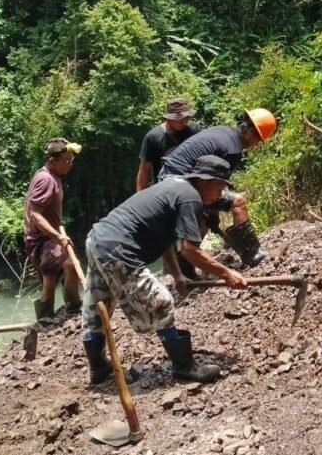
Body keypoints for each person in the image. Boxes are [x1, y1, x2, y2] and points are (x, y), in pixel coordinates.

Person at [80, 155, 249, 385]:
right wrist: (226, 273)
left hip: (97, 240)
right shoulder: (190, 199)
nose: (220, 194)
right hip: (118, 249)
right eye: (220, 186)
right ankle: (184, 366)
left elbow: (166, 241)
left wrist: (178, 275)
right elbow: (189, 251)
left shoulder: (174, 187)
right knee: (162, 302)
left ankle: (98, 369)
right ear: (205, 180)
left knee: (97, 305)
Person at [158, 109, 277, 267]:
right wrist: (209, 212)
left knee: (204, 217)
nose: (255, 145)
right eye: (258, 140)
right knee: (237, 202)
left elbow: (212, 183)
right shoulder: (233, 149)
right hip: (178, 182)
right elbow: (216, 186)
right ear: (249, 132)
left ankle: (186, 266)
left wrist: (210, 212)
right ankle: (252, 253)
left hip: (169, 177)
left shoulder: (225, 132)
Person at [23, 137, 83, 322]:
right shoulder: (46, 180)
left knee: (50, 277)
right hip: (42, 239)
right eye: (66, 161)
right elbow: (35, 214)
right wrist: (57, 235)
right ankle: (73, 308)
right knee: (70, 266)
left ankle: (46, 315)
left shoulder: (49, 176)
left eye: (71, 160)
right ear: (51, 161)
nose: (70, 165)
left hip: (44, 237)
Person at [135, 98, 202, 191]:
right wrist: (140, 196)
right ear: (168, 119)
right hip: (164, 189)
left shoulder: (193, 130)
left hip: (191, 185)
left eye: (186, 118)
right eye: (178, 119)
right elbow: (145, 170)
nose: (183, 122)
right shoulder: (153, 137)